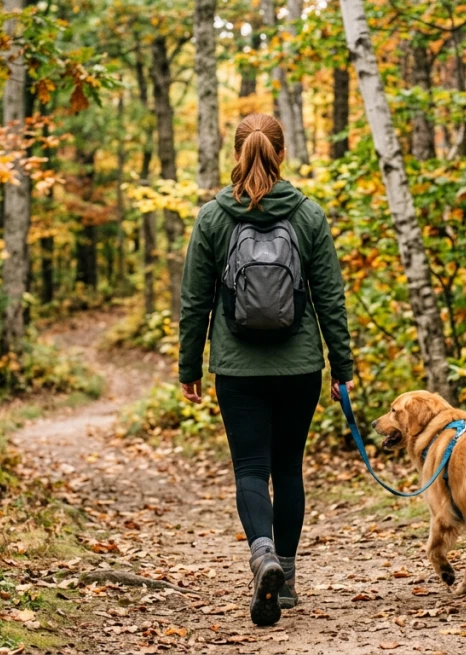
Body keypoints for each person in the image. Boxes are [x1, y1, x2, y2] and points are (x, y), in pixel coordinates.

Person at [178, 113, 354, 627]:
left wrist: (190, 365)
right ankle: (289, 576)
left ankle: (262, 555)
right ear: (282, 151)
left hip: (236, 367)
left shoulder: (214, 216)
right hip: (299, 365)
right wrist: (341, 363)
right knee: (288, 469)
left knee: (250, 469)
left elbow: (195, 302)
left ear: (238, 152)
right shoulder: (308, 214)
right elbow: (330, 298)